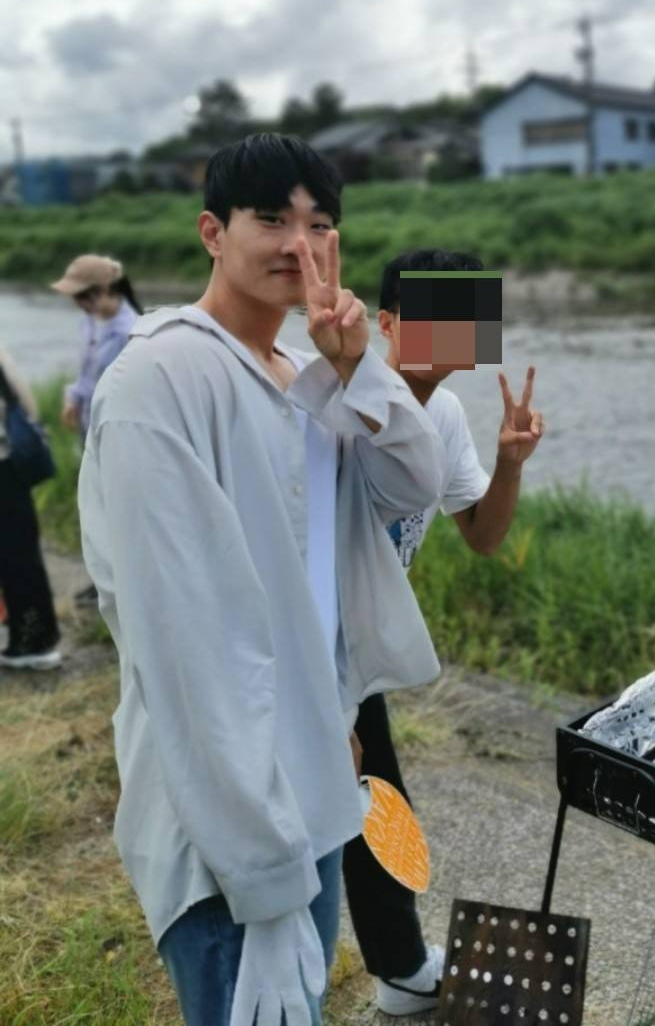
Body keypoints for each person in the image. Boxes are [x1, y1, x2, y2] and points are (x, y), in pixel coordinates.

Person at [77, 134, 447, 1026]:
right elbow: (184, 641)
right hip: (227, 826)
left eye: (319, 225)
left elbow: (413, 486)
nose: (298, 244)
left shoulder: (304, 378)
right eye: (272, 219)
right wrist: (263, 869)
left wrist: (358, 365)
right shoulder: (162, 377)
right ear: (213, 232)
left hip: (312, 780)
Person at [342, 248, 544, 1016]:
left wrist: (509, 462)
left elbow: (484, 537)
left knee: (373, 806)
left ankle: (398, 970)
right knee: (348, 811)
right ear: (387, 323)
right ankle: (382, 971)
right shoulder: (350, 406)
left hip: (360, 648)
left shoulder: (449, 413)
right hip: (312, 645)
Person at [51, 254, 142, 608]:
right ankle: (101, 580)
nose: (79, 305)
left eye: (82, 297)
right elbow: (87, 374)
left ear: (104, 290)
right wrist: (72, 397)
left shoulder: (130, 331)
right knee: (96, 509)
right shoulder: (90, 323)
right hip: (89, 427)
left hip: (115, 434)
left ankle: (123, 586)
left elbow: (128, 390)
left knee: (118, 510)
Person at [0, 345, 61, 670]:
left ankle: (31, 642)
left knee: (16, 559)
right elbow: (30, 406)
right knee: (23, 557)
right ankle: (38, 640)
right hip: (9, 467)